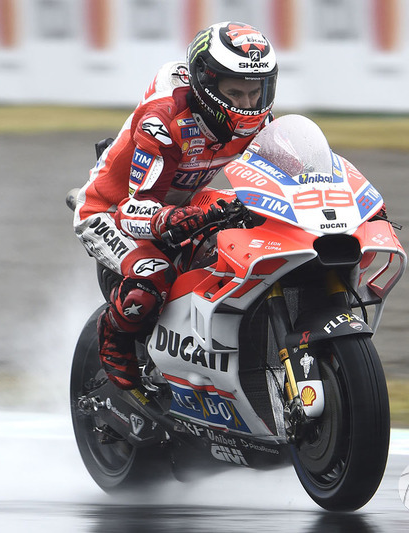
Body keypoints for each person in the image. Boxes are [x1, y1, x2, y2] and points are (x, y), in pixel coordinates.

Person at [72, 21, 278, 389]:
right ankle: (114, 339)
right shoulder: (164, 121)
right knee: (152, 277)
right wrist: (173, 219)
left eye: (256, 93)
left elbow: (288, 176)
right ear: (207, 85)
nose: (249, 106)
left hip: (182, 203)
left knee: (252, 235)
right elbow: (133, 211)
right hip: (111, 209)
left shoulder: (261, 121)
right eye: (236, 93)